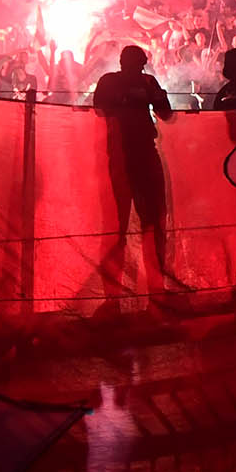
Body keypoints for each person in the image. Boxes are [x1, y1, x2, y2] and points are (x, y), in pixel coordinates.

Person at [89, 45, 185, 293]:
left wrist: (157, 97)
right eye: (135, 64)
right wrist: (127, 99)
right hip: (120, 154)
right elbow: (99, 108)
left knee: (153, 220)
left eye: (140, 64)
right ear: (123, 63)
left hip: (144, 152)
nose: (138, 68)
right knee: (116, 224)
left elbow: (166, 114)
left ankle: (156, 286)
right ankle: (113, 293)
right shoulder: (109, 81)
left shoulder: (148, 81)